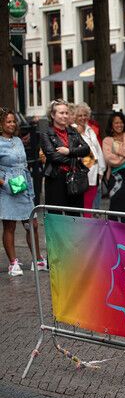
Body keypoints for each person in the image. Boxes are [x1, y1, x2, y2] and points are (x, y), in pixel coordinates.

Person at [0, 108, 47, 276]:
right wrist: (5, 183)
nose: (12, 124)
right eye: (8, 121)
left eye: (14, 121)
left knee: (32, 224)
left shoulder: (18, 141)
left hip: (23, 186)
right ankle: (13, 263)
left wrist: (29, 187)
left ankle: (38, 259)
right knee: (10, 225)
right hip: (6, 189)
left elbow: (24, 165)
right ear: (1, 124)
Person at [40, 99, 90, 213]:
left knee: (75, 216)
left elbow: (86, 149)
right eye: (61, 113)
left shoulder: (72, 131)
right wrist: (75, 156)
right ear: (53, 115)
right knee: (57, 217)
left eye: (67, 113)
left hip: (74, 177)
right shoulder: (46, 132)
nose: (65, 116)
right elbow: (53, 156)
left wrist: (68, 151)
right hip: (56, 178)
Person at [72, 103, 106, 215]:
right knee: (84, 205)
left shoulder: (90, 130)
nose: (83, 118)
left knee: (90, 203)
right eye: (80, 115)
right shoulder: (72, 131)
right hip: (82, 174)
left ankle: (89, 226)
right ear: (75, 117)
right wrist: (90, 163)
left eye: (85, 115)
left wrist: (101, 169)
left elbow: (98, 151)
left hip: (95, 173)